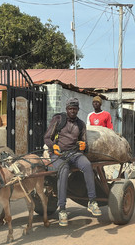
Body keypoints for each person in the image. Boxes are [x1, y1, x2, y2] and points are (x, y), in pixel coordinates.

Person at [43, 97, 101, 227]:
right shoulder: (58, 120)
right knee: (63, 169)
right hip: (58, 154)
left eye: (75, 109)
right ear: (66, 109)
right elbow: (47, 137)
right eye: (70, 109)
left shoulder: (81, 124)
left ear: (78, 110)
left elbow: (85, 143)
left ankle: (92, 201)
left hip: (74, 154)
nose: (72, 111)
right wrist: (53, 147)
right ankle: (62, 209)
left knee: (87, 165)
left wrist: (83, 146)